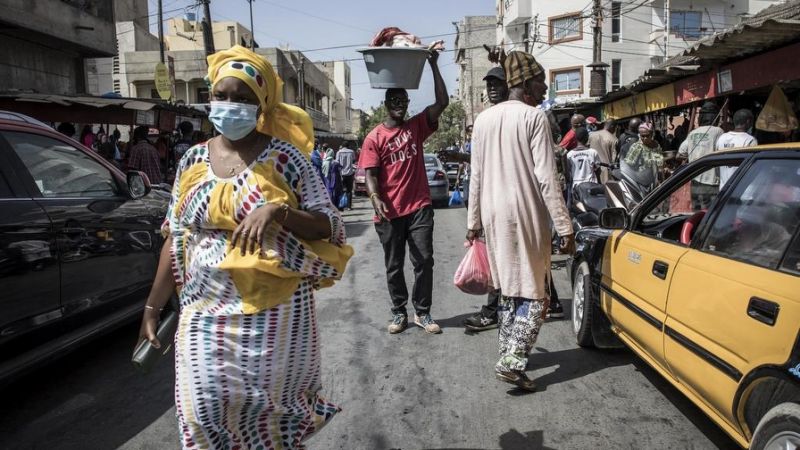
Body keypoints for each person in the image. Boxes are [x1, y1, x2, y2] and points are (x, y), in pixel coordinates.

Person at [135, 45, 353, 449]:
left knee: (267, 421)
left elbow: (330, 226)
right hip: (202, 312)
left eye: (243, 98)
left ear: (261, 104)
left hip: (276, 317)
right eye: (222, 95)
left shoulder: (287, 158)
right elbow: (177, 234)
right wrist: (152, 306)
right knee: (201, 415)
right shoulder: (192, 161)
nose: (229, 104)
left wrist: (279, 212)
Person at [467, 51, 574, 391]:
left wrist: (473, 221)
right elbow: (547, 178)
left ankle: (508, 352)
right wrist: (564, 225)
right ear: (526, 83)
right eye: (541, 81)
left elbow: (476, 177)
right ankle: (512, 361)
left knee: (509, 290)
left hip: (493, 215)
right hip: (524, 214)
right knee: (535, 291)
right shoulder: (534, 117)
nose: (545, 88)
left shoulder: (483, 120)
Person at [359, 46, 448, 335]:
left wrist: (433, 65)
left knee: (424, 259)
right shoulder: (375, 137)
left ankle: (422, 312)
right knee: (394, 265)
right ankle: (399, 312)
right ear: (386, 104)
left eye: (403, 100)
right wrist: (375, 199)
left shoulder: (416, 127)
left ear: (408, 102)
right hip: (388, 211)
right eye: (394, 100)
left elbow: (442, 101)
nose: (399, 104)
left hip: (419, 206)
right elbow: (370, 175)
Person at [678, 102, 724, 209]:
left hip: (695, 180)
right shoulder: (718, 131)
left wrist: (694, 156)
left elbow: (680, 154)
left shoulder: (693, 133)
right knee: (710, 214)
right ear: (715, 117)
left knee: (696, 211)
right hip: (711, 182)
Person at [717, 109, 758, 188]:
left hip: (724, 189)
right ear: (748, 121)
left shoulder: (722, 138)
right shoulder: (750, 140)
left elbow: (717, 166)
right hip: (741, 190)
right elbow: (752, 167)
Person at [336, 141, 357, 209]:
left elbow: (337, 163)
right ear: (348, 146)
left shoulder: (339, 152)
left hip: (341, 174)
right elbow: (354, 161)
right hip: (350, 173)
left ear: (342, 146)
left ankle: (341, 206)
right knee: (349, 191)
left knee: (341, 190)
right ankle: (349, 206)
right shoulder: (351, 152)